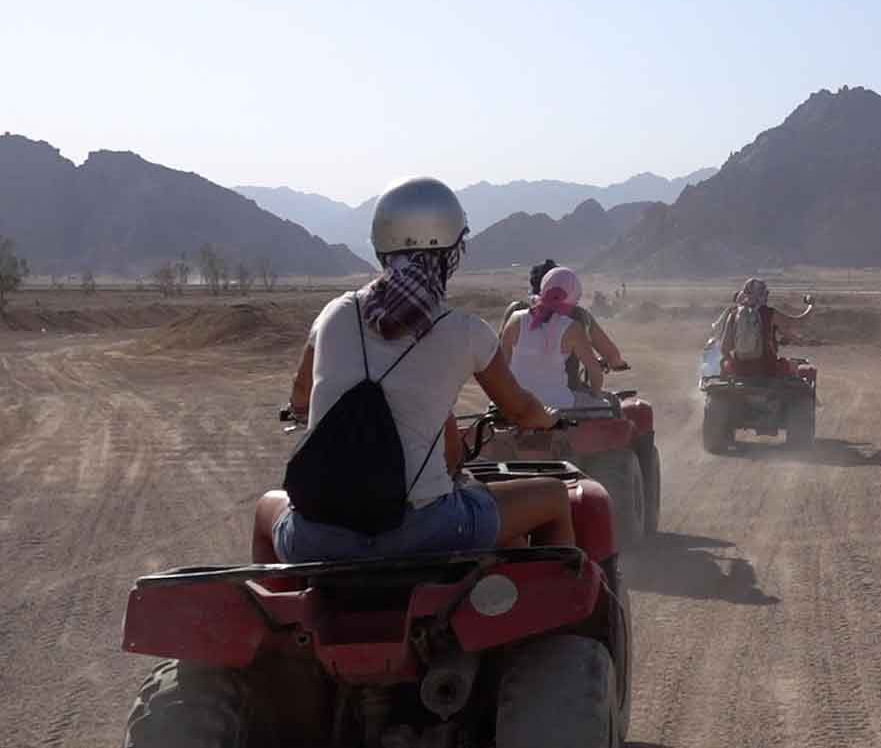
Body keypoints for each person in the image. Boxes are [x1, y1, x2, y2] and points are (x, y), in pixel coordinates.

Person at [256, 177, 573, 563]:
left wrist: (309, 409)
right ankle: (555, 613)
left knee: (265, 510)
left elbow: (300, 396)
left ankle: (280, 612)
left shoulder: (335, 313)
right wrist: (548, 419)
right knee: (555, 497)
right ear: (449, 254)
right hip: (426, 533)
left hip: (316, 539)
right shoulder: (466, 331)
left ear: (380, 249)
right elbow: (520, 409)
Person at [501, 259, 628, 388]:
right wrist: (615, 363)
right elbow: (612, 355)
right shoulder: (578, 316)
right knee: (612, 403)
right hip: (566, 392)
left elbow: (500, 356)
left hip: (515, 394)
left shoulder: (516, 312)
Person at [499, 266, 609, 408]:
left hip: (516, 403)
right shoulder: (573, 328)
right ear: (574, 294)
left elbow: (502, 365)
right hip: (558, 404)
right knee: (607, 407)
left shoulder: (516, 319)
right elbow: (595, 371)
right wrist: (596, 395)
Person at [720, 277, 814, 378]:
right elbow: (799, 321)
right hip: (768, 369)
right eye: (766, 293)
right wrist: (811, 306)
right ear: (762, 295)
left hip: (741, 371)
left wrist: (736, 367)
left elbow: (724, 348)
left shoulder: (733, 315)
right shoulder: (769, 313)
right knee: (799, 369)